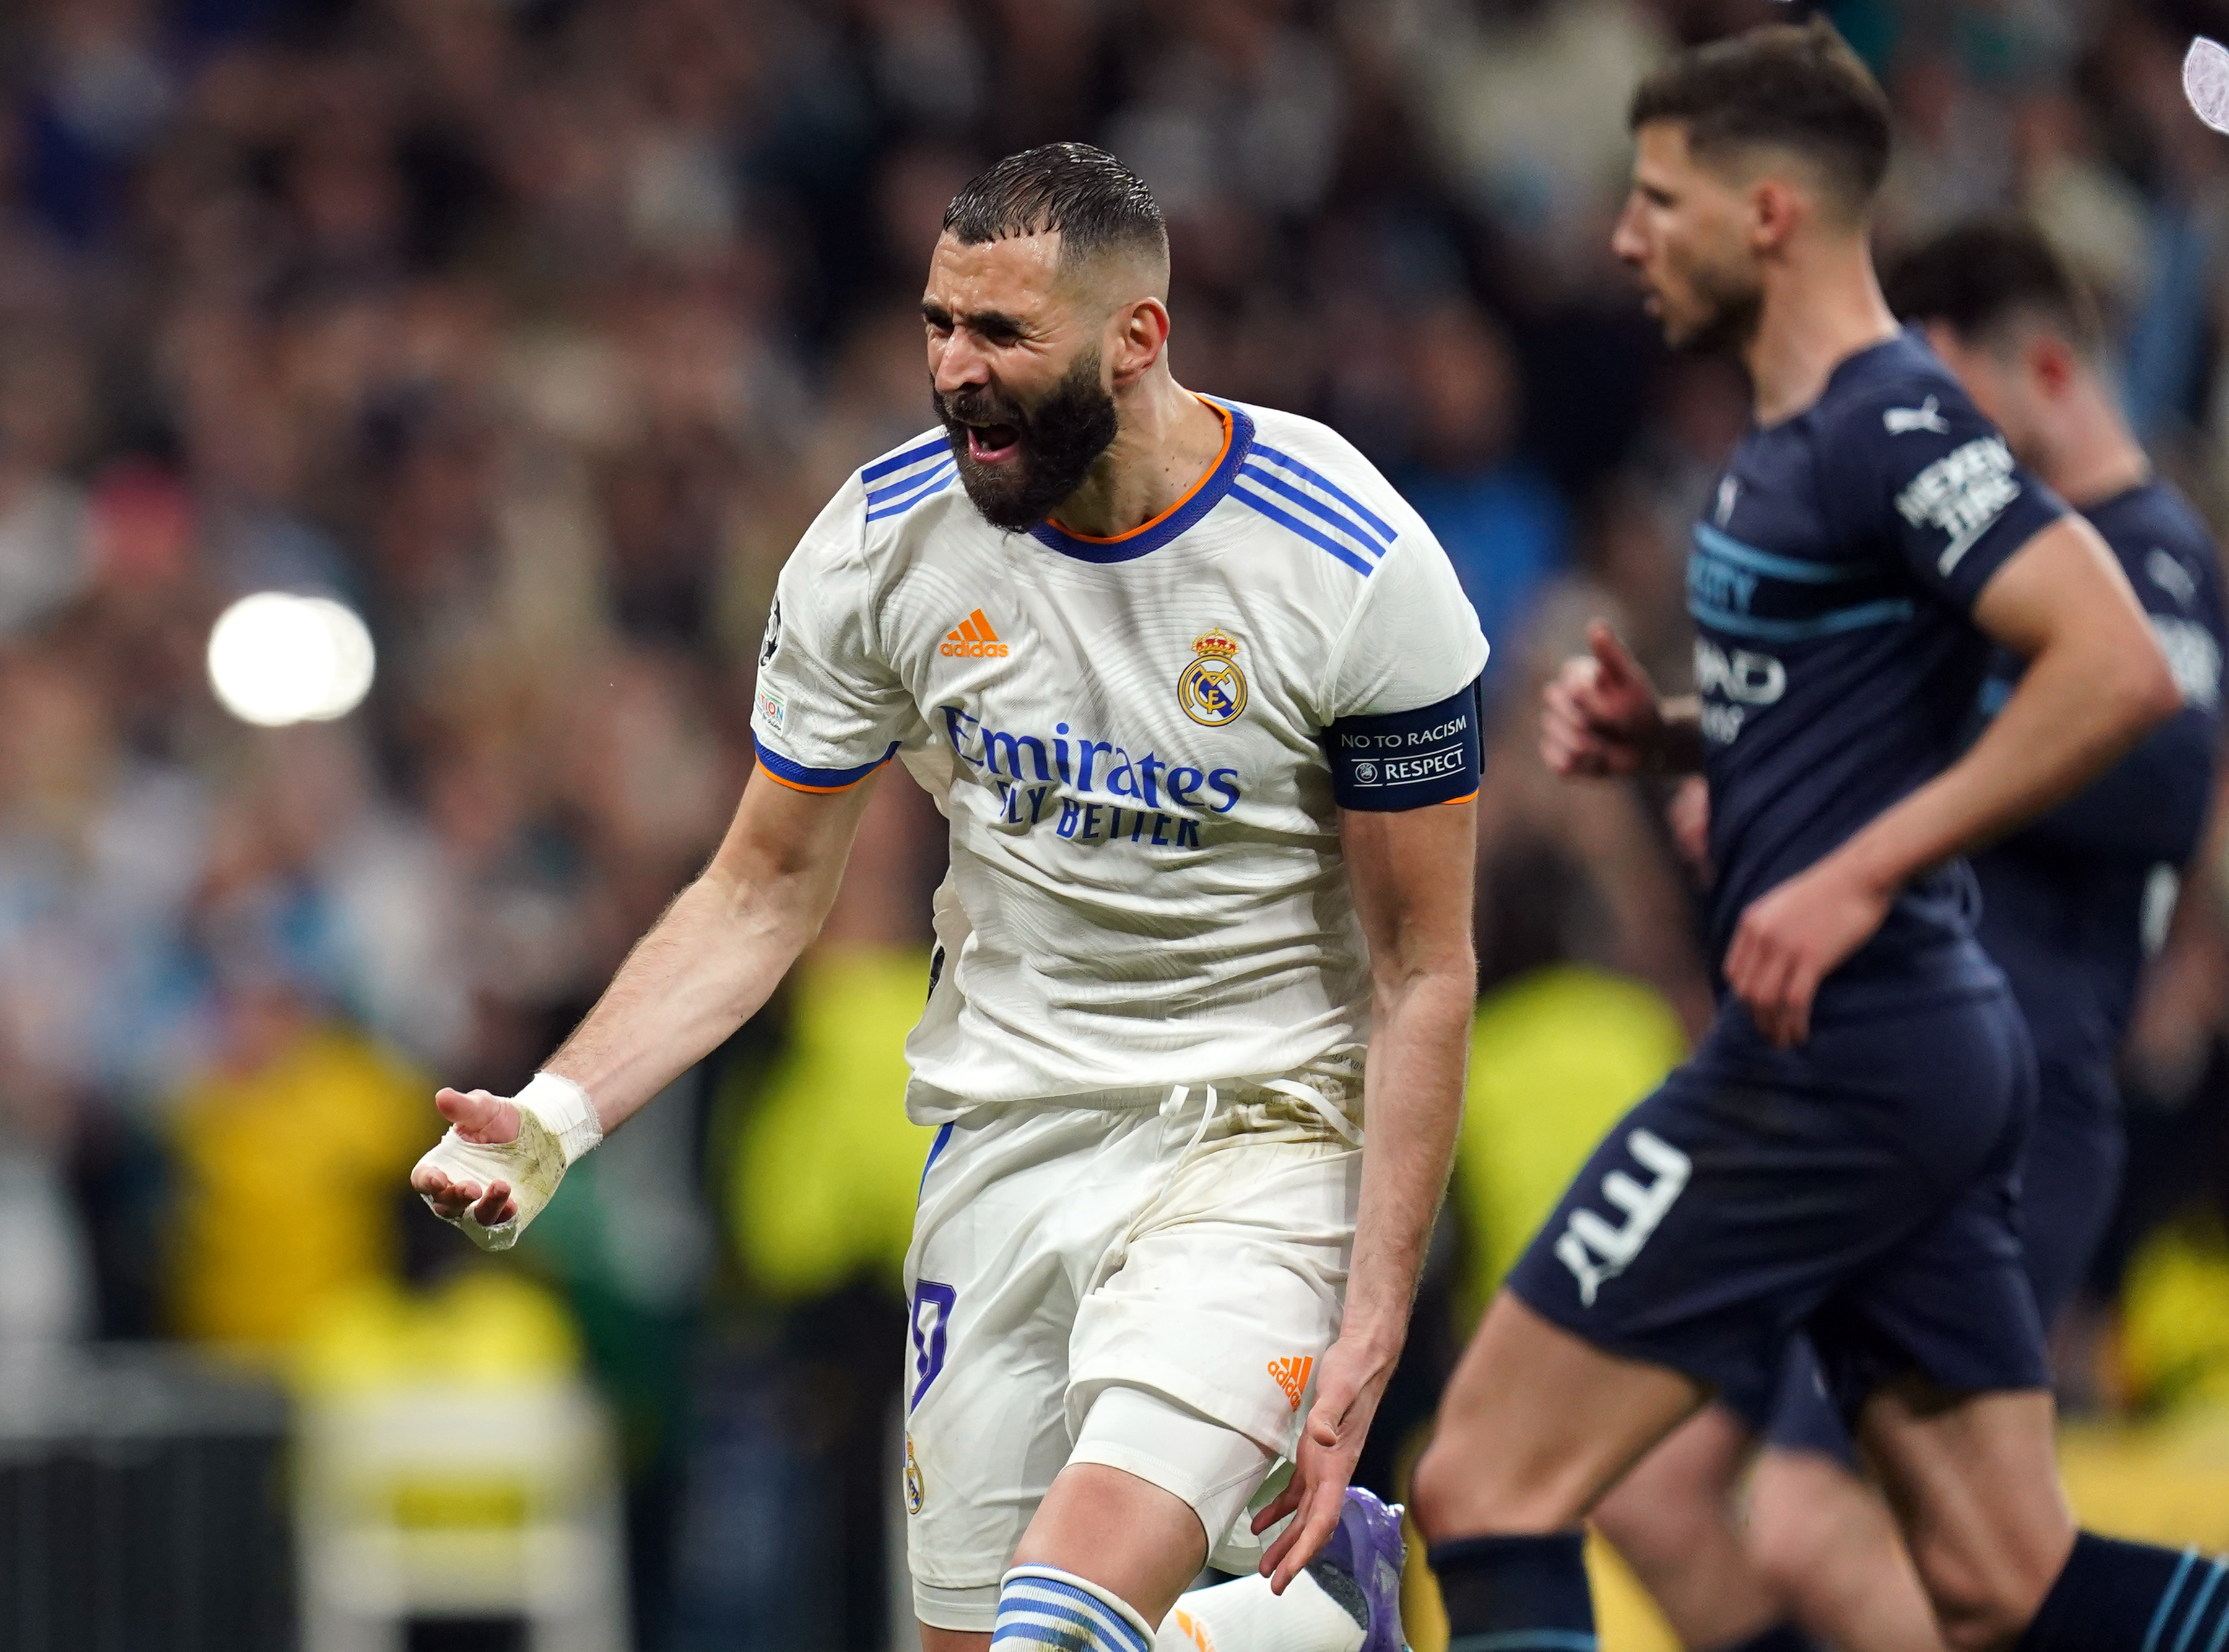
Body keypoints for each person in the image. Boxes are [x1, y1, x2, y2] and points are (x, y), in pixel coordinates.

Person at [409, 142, 1485, 1652]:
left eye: (1001, 333)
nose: (954, 370)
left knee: (1060, 1622)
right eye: (938, 323)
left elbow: (1424, 966)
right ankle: (1304, 1633)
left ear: (1137, 338)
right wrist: (556, 1115)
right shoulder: (881, 547)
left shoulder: (1346, 563)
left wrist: (1373, 1319)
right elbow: (762, 889)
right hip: (1005, 1141)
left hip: (1258, 1138)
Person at [1403, 22, 2205, 1652]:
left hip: (1839, 1054)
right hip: (1908, 1052)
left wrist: (1850, 871)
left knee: (1487, 1479)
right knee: (1998, 1577)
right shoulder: (1787, 444)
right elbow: (1901, 696)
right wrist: (1681, 732)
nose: (1623, 236)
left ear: (1767, 212)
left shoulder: (1886, 424)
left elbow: (2115, 668)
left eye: (1658, 199)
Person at [1586, 218, 2228, 1652]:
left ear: (2046, 368)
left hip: (2007, 1110)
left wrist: (1842, 802)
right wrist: (1722, 759)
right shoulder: (1972, 586)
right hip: (1849, 1094)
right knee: (1648, 1487)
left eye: (1948, 401)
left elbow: (2152, 776)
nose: (1930, 447)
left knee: (1832, 1531)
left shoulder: (2152, 562)